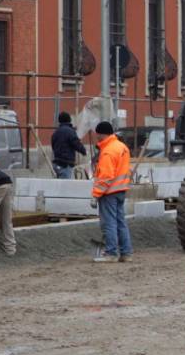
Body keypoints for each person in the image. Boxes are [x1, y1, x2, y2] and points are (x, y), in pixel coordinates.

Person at [92, 121, 133, 263]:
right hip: (121, 190)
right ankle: (126, 253)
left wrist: (96, 194)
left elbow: (106, 176)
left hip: (109, 192)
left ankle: (110, 253)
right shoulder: (122, 147)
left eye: (97, 134)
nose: (96, 137)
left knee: (109, 223)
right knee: (120, 222)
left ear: (101, 134)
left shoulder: (108, 151)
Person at [50, 112, 86, 179]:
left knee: (58, 185)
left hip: (56, 163)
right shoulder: (70, 131)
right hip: (65, 164)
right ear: (69, 120)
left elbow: (53, 146)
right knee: (65, 187)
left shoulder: (55, 132)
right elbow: (76, 143)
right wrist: (83, 151)